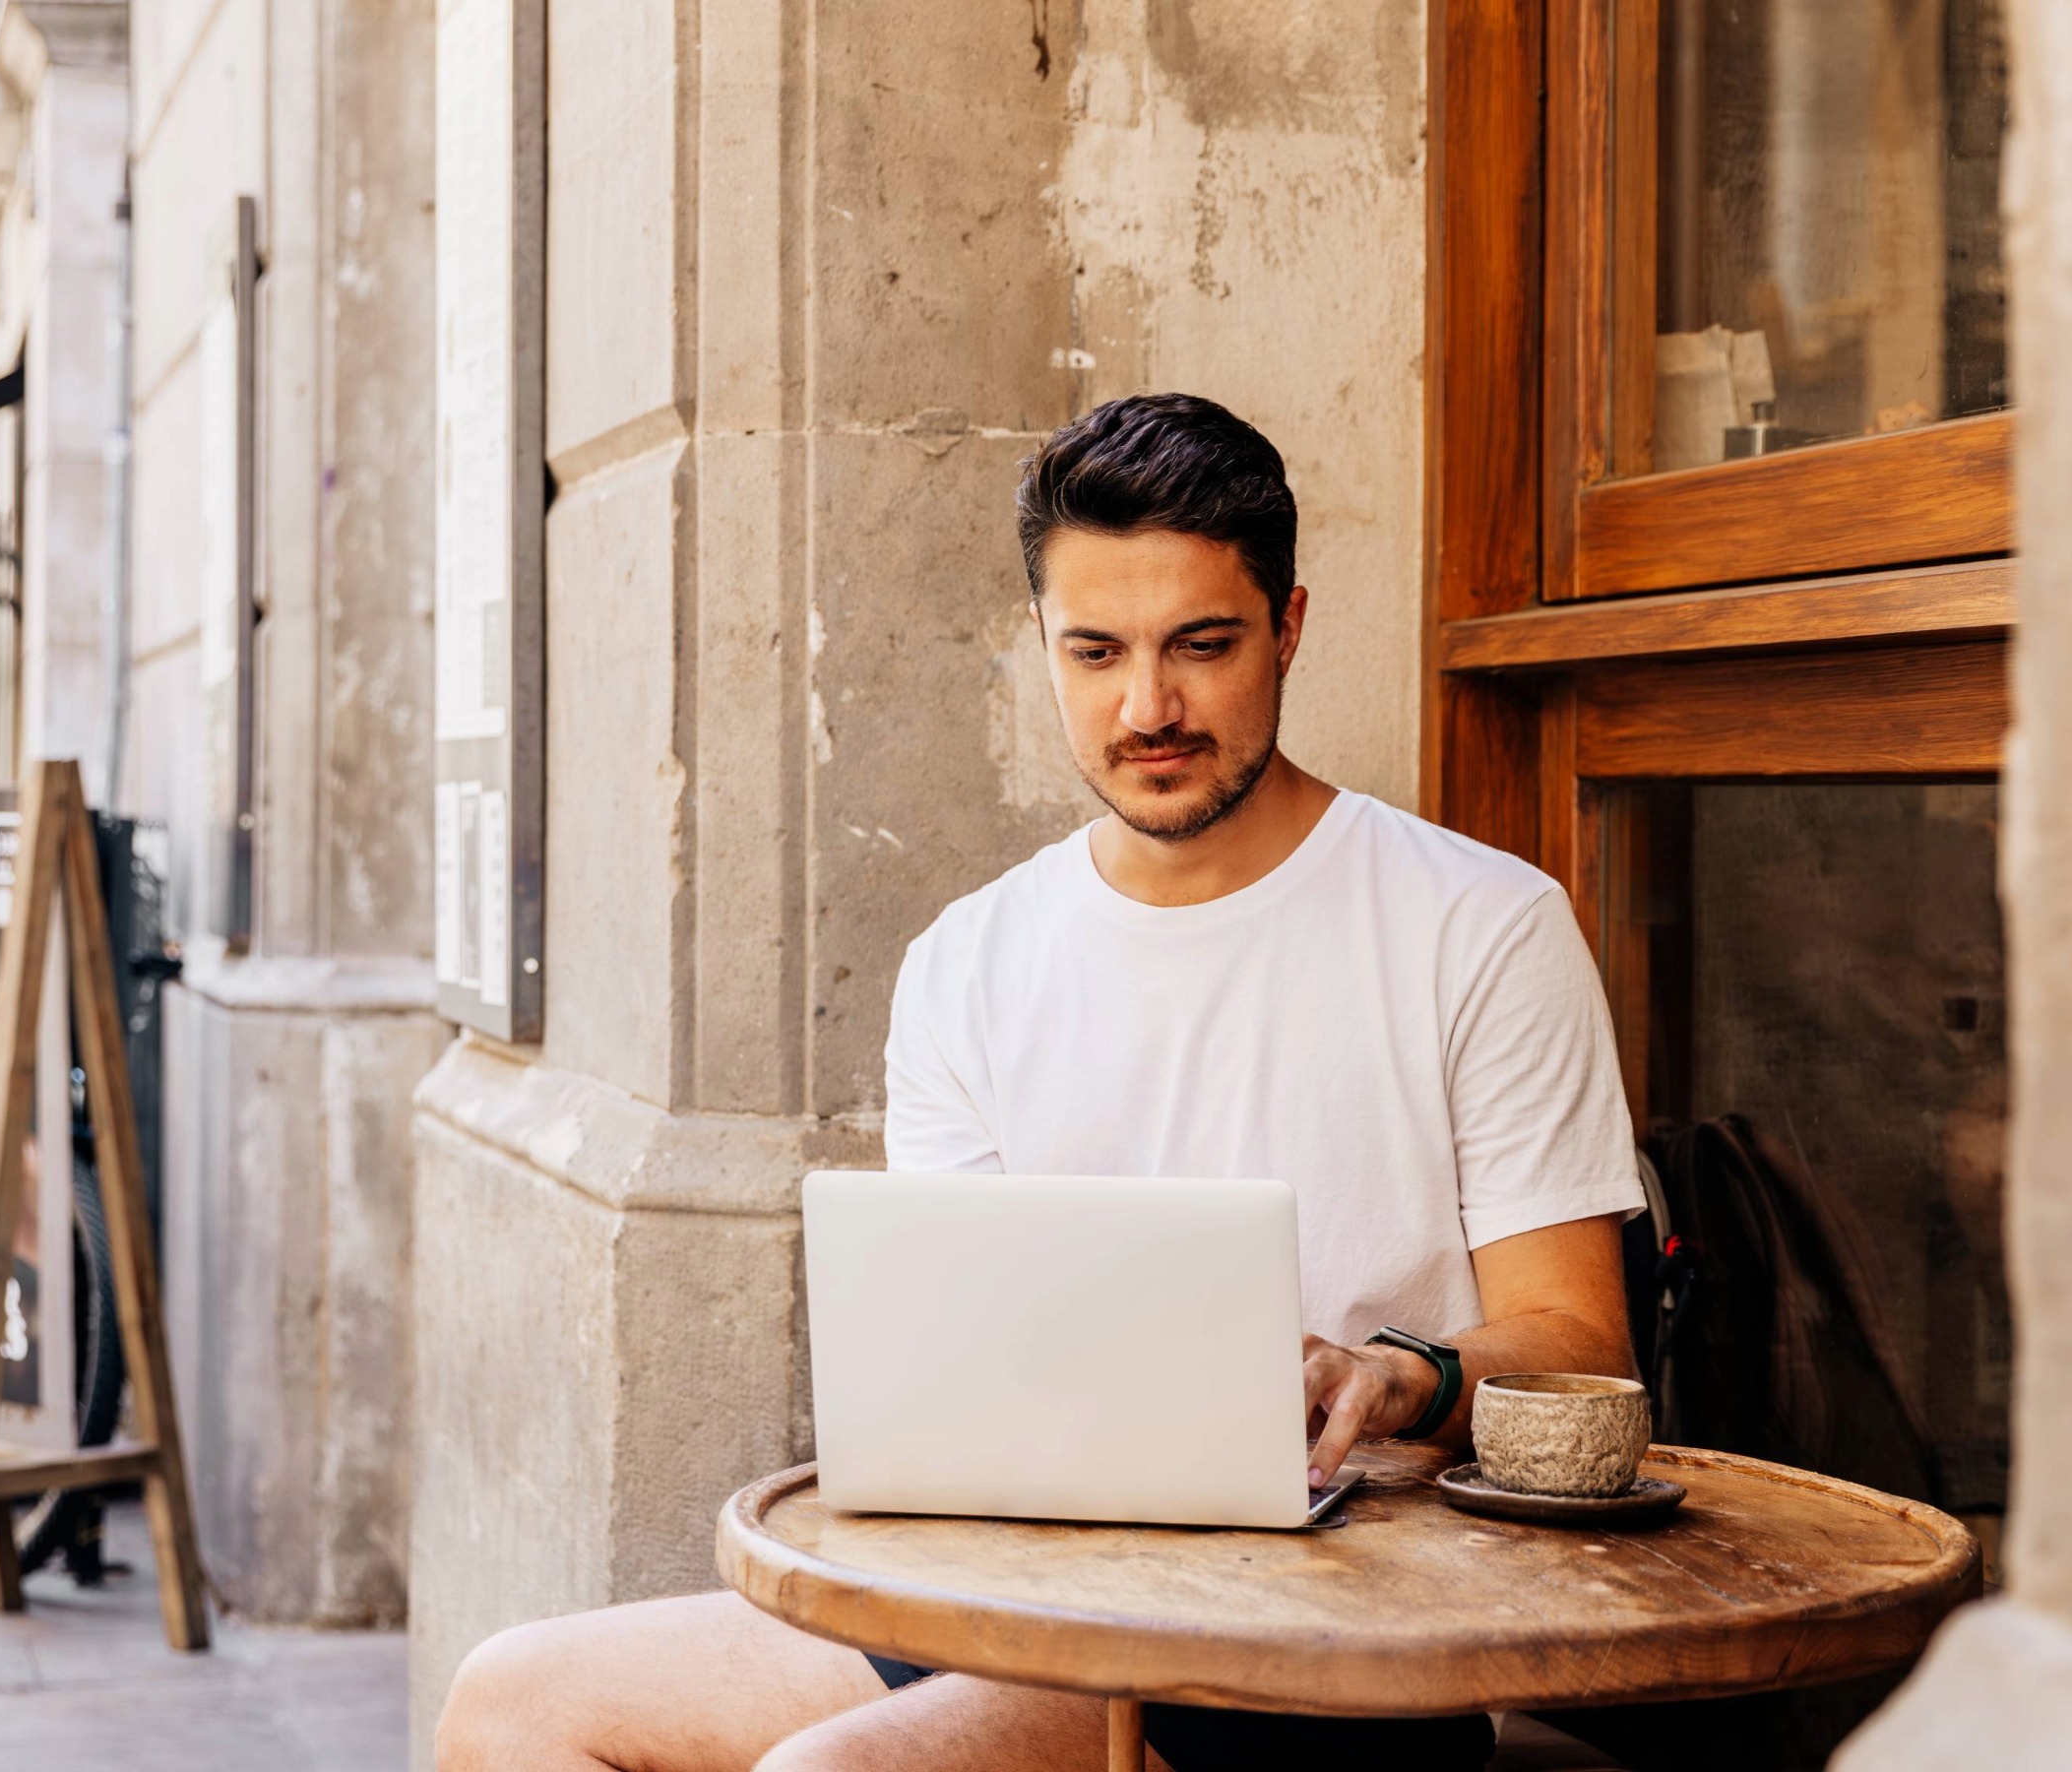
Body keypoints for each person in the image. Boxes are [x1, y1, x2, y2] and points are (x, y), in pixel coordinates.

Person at [434, 393, 1647, 1772]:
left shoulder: (1479, 926)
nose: (1150, 708)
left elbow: (1580, 1341)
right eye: (1097, 652)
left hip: (1340, 1631)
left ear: (1290, 628)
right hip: (1024, 1591)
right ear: (1044, 650)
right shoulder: (970, 960)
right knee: (511, 1701)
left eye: (1202, 645)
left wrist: (1404, 1374)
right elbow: (958, 1374)